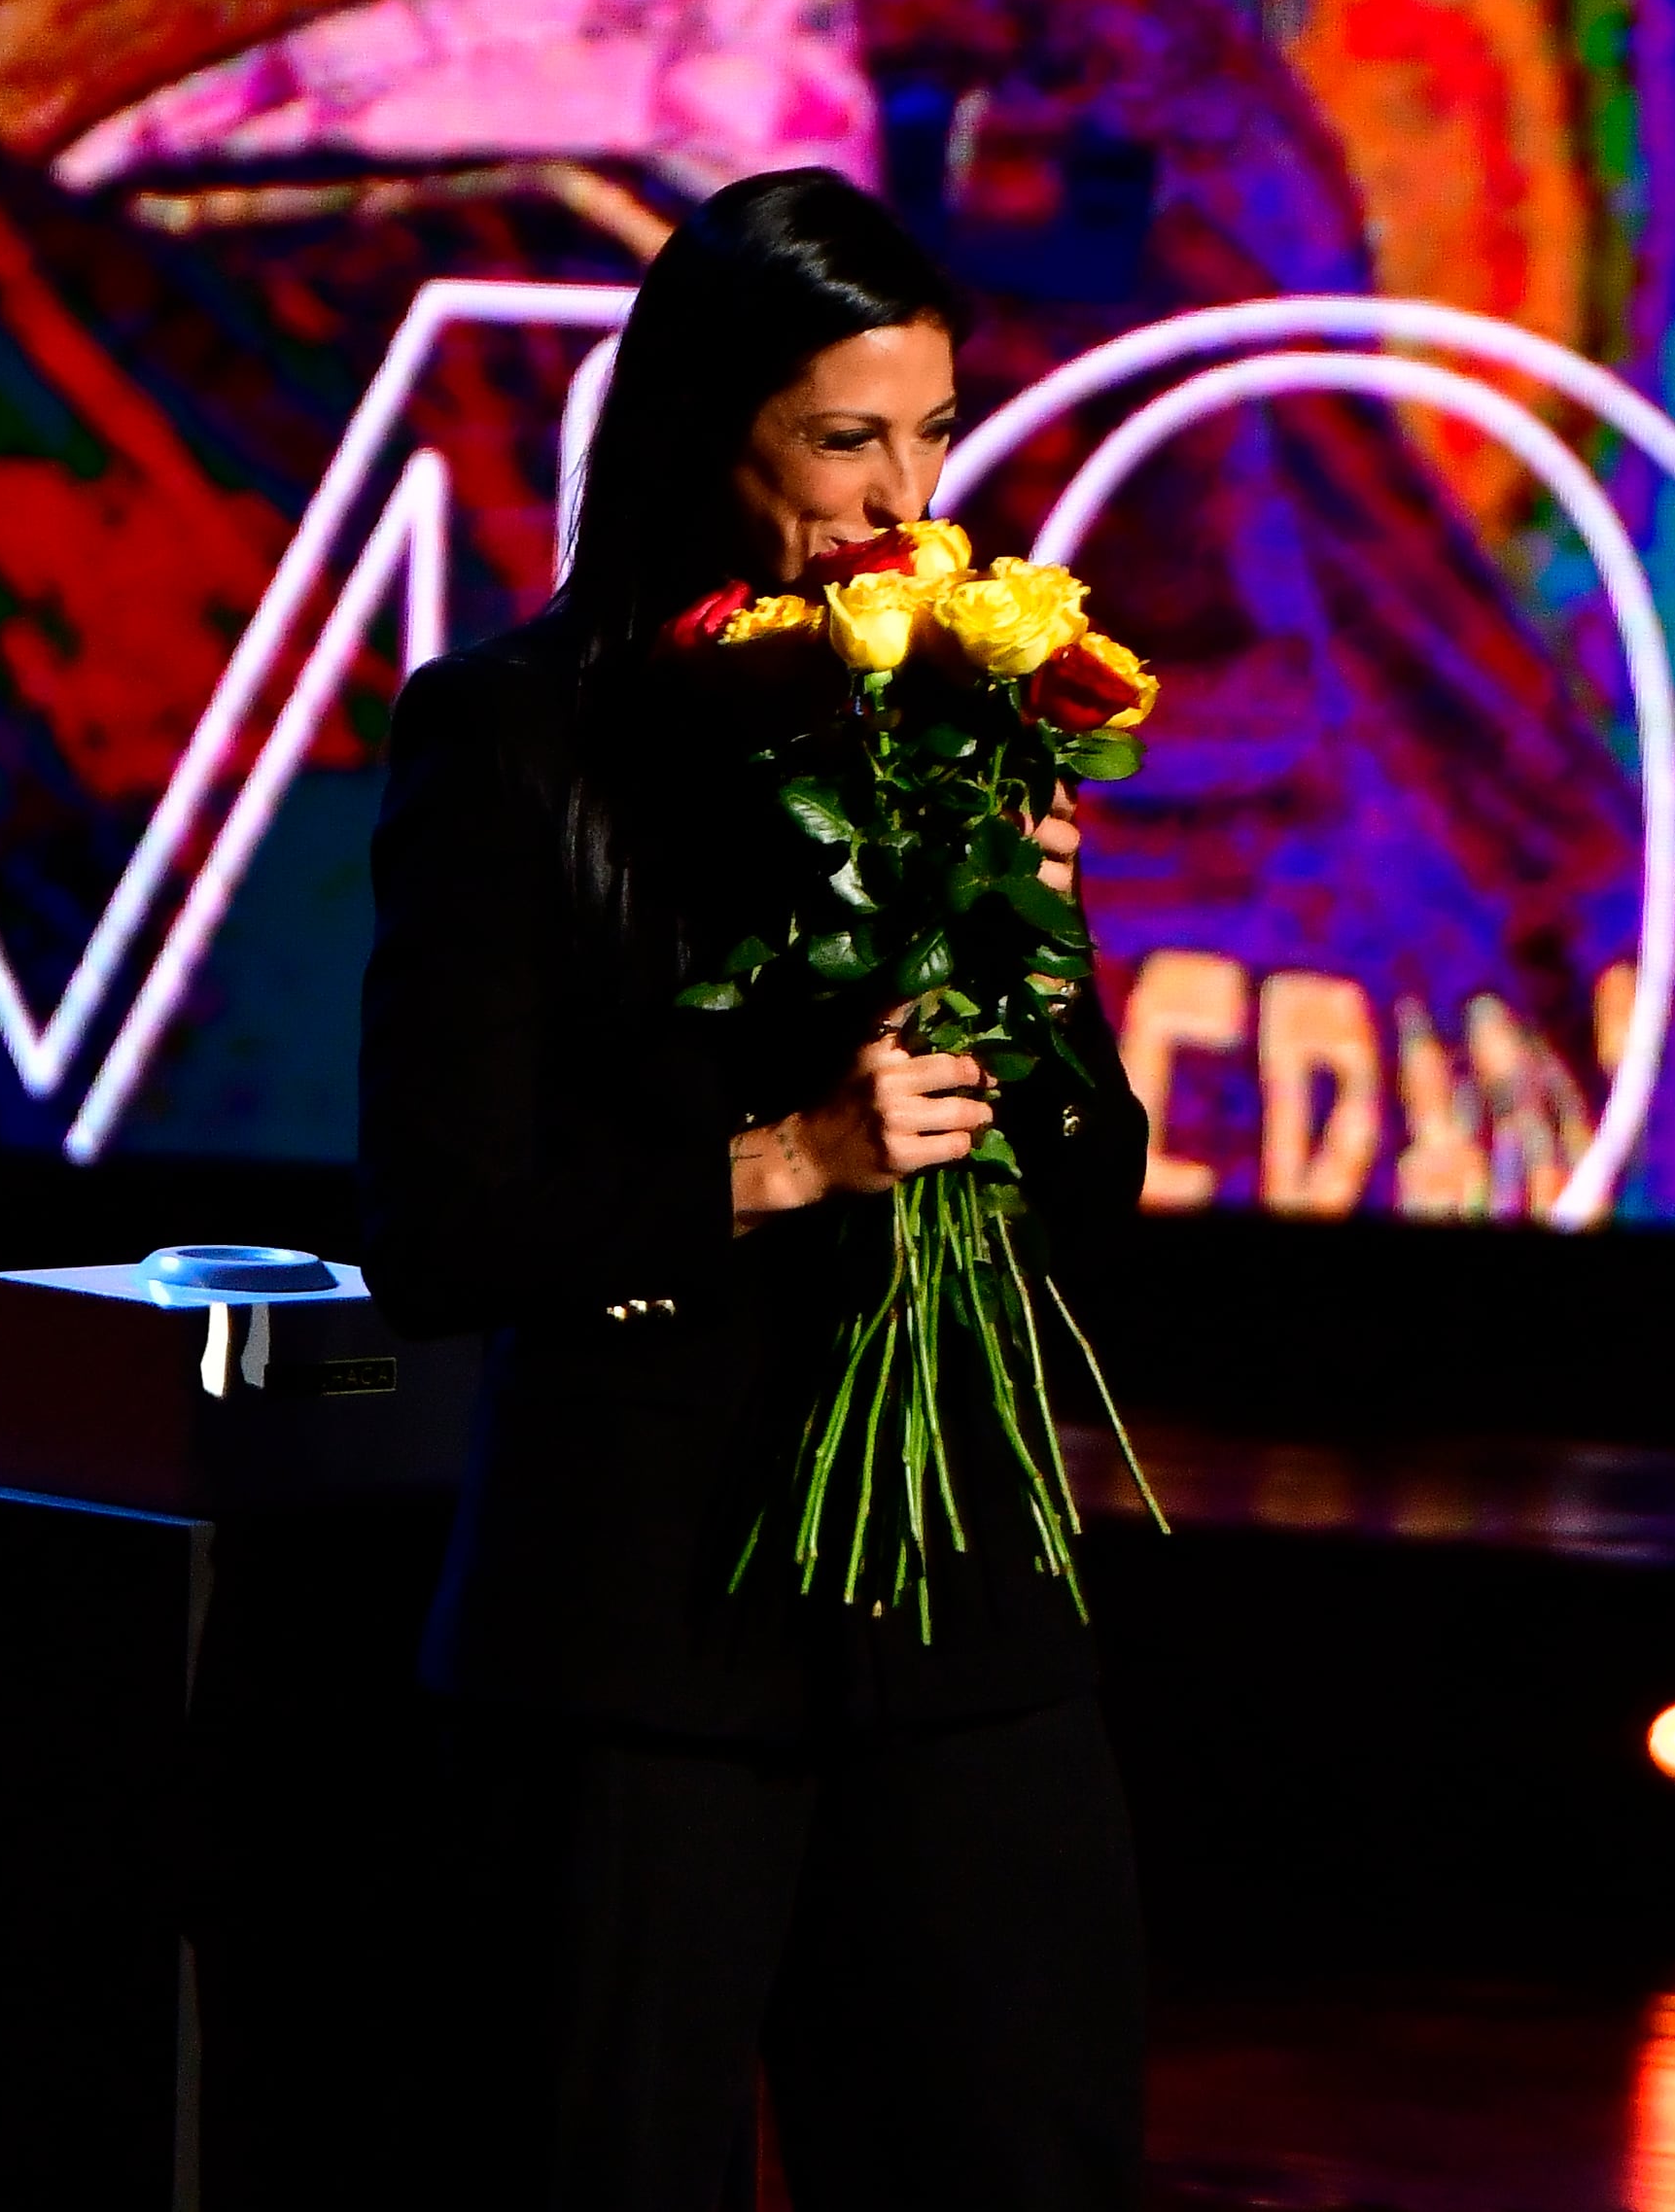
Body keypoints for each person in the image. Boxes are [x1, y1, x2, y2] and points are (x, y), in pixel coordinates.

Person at [352, 167, 1153, 2206]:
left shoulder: (974, 724)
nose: (905, 506)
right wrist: (781, 1162)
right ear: (709, 432)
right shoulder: (518, 743)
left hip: (960, 1631)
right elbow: (439, 1228)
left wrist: (1044, 966)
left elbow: (1080, 1213)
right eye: (844, 441)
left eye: (936, 438)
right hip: (641, 1643)